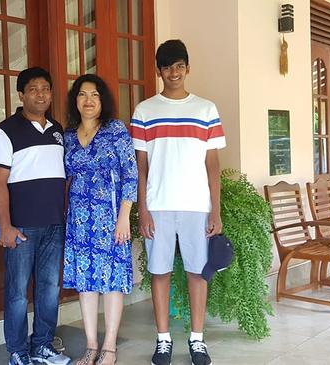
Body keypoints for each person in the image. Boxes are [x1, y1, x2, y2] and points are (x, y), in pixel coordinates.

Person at [130, 39, 226, 365]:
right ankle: (163, 339)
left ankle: (197, 339)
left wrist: (216, 209)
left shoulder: (206, 109)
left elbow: (213, 164)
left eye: (179, 66)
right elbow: (140, 167)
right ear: (159, 71)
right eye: (168, 67)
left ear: (187, 68)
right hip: (158, 204)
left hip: (197, 205)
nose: (174, 72)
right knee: (160, 272)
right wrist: (142, 209)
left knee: (198, 273)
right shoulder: (145, 110)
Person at [0, 67, 71, 365]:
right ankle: (18, 352)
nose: (40, 94)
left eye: (45, 88)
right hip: (21, 226)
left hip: (54, 225)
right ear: (21, 95)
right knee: (18, 293)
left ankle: (43, 346)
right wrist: (5, 226)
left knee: (50, 290)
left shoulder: (58, 130)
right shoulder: (5, 131)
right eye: (33, 89)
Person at [63, 74, 138, 365]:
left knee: (112, 281)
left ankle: (109, 347)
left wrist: (124, 217)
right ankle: (91, 345)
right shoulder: (68, 135)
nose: (89, 100)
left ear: (102, 99)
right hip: (79, 220)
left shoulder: (115, 130)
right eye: (82, 94)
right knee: (86, 282)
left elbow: (130, 174)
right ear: (75, 100)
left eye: (94, 94)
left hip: (110, 217)